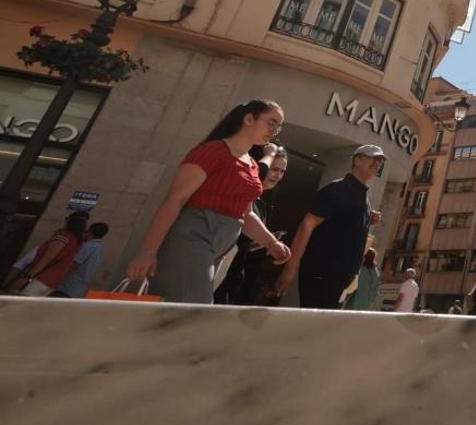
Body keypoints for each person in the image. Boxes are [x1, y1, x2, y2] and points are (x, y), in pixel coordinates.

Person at [127, 100, 291, 303]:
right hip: (193, 235)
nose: (275, 131)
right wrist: (148, 251)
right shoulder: (213, 151)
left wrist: (271, 242)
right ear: (249, 119)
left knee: (178, 313)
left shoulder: (252, 165)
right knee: (195, 308)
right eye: (271, 122)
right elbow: (175, 200)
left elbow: (246, 213)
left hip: (222, 245)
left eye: (279, 126)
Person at [274, 145, 384, 309]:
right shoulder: (338, 189)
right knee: (313, 327)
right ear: (357, 159)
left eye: (380, 160)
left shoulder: (363, 197)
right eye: (373, 158)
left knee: (322, 329)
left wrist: (368, 219)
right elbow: (307, 224)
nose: (377, 163)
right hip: (323, 274)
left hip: (342, 279)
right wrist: (290, 268)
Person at [214, 146, 288, 305]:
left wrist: (266, 242)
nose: (278, 175)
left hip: (237, 273)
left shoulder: (262, 204)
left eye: (282, 171)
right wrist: (270, 242)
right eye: (274, 169)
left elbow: (247, 239)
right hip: (218, 266)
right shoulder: (241, 194)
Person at [5, 212, 87, 296]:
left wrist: (28, 277)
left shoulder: (64, 237)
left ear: (70, 222)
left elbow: (48, 257)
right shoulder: (77, 242)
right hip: (52, 282)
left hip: (40, 278)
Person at [52, 222, 109, 298]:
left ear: (90, 232)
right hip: (81, 288)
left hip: (69, 285)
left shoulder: (88, 246)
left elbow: (74, 264)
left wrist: (58, 277)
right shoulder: (100, 249)